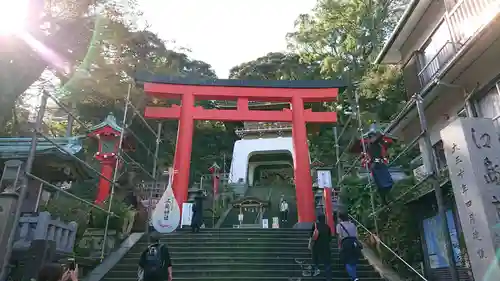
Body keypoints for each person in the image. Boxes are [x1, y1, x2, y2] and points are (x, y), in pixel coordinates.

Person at [337, 213, 361, 281]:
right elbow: (357, 235)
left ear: (340, 218)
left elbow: (340, 237)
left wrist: (339, 245)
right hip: (354, 242)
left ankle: (354, 277)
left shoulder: (339, 225)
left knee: (347, 261)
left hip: (346, 242)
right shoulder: (353, 224)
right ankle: (354, 277)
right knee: (353, 261)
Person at [307, 214, 332, 280]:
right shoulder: (327, 227)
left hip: (316, 246)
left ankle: (316, 271)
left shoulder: (315, 225)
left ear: (318, 219)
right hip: (326, 247)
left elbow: (311, 235)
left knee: (315, 259)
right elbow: (330, 238)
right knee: (327, 262)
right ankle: (328, 277)